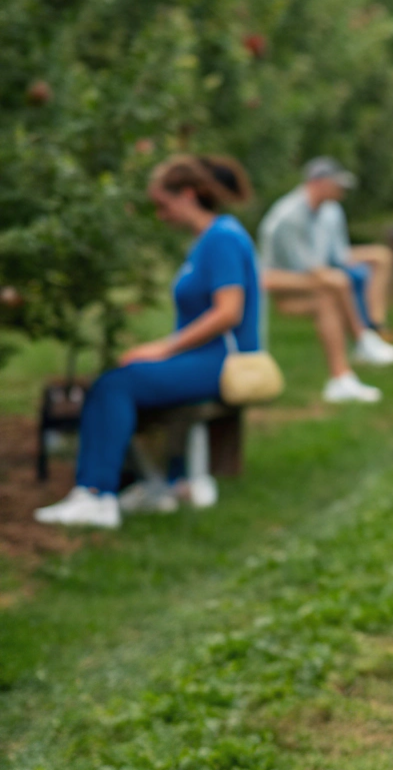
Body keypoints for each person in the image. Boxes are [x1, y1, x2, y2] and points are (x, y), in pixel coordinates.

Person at [34, 155, 263, 529]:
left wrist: (164, 349)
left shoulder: (221, 239)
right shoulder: (209, 239)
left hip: (221, 360)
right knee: (119, 379)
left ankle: (96, 495)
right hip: (207, 358)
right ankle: (154, 484)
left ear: (188, 195)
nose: (160, 214)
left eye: (163, 204)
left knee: (114, 385)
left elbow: (228, 312)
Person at [257, 158, 393, 404]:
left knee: (378, 258)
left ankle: (371, 332)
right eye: (337, 185)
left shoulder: (330, 210)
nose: (341, 191)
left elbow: (337, 255)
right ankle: (362, 341)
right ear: (318, 183)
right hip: (277, 278)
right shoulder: (290, 217)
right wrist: (336, 275)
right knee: (336, 283)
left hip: (315, 269)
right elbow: (306, 267)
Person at [315, 198, 393, 335]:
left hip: (340, 254)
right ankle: (364, 331)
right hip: (321, 261)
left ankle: (377, 322)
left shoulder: (334, 208)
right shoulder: (308, 208)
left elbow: (339, 244)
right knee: (358, 274)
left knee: (382, 256)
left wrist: (344, 258)